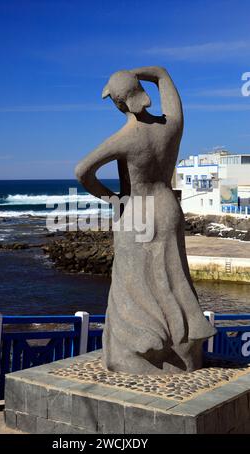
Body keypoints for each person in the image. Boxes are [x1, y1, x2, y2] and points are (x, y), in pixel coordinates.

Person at [76, 67, 216, 374]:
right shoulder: (172, 127)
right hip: (167, 208)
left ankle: (138, 350)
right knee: (173, 276)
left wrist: (113, 199)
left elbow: (82, 172)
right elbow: (163, 75)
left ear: (119, 103)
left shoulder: (123, 138)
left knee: (132, 283)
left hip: (136, 212)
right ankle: (184, 350)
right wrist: (138, 73)